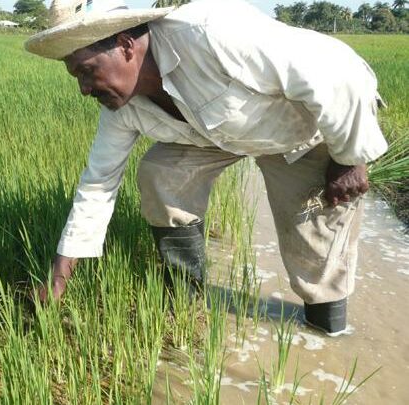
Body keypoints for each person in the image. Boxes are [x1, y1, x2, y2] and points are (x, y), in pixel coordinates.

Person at [24, 0, 387, 334]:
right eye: (77, 77)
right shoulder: (122, 106)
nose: (84, 89)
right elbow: (98, 184)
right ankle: (185, 297)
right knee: (160, 172)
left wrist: (349, 158)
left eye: (87, 71)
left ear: (125, 44)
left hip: (302, 128)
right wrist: (60, 276)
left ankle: (327, 336)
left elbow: (339, 73)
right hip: (217, 135)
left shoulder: (210, 34)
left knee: (315, 244)